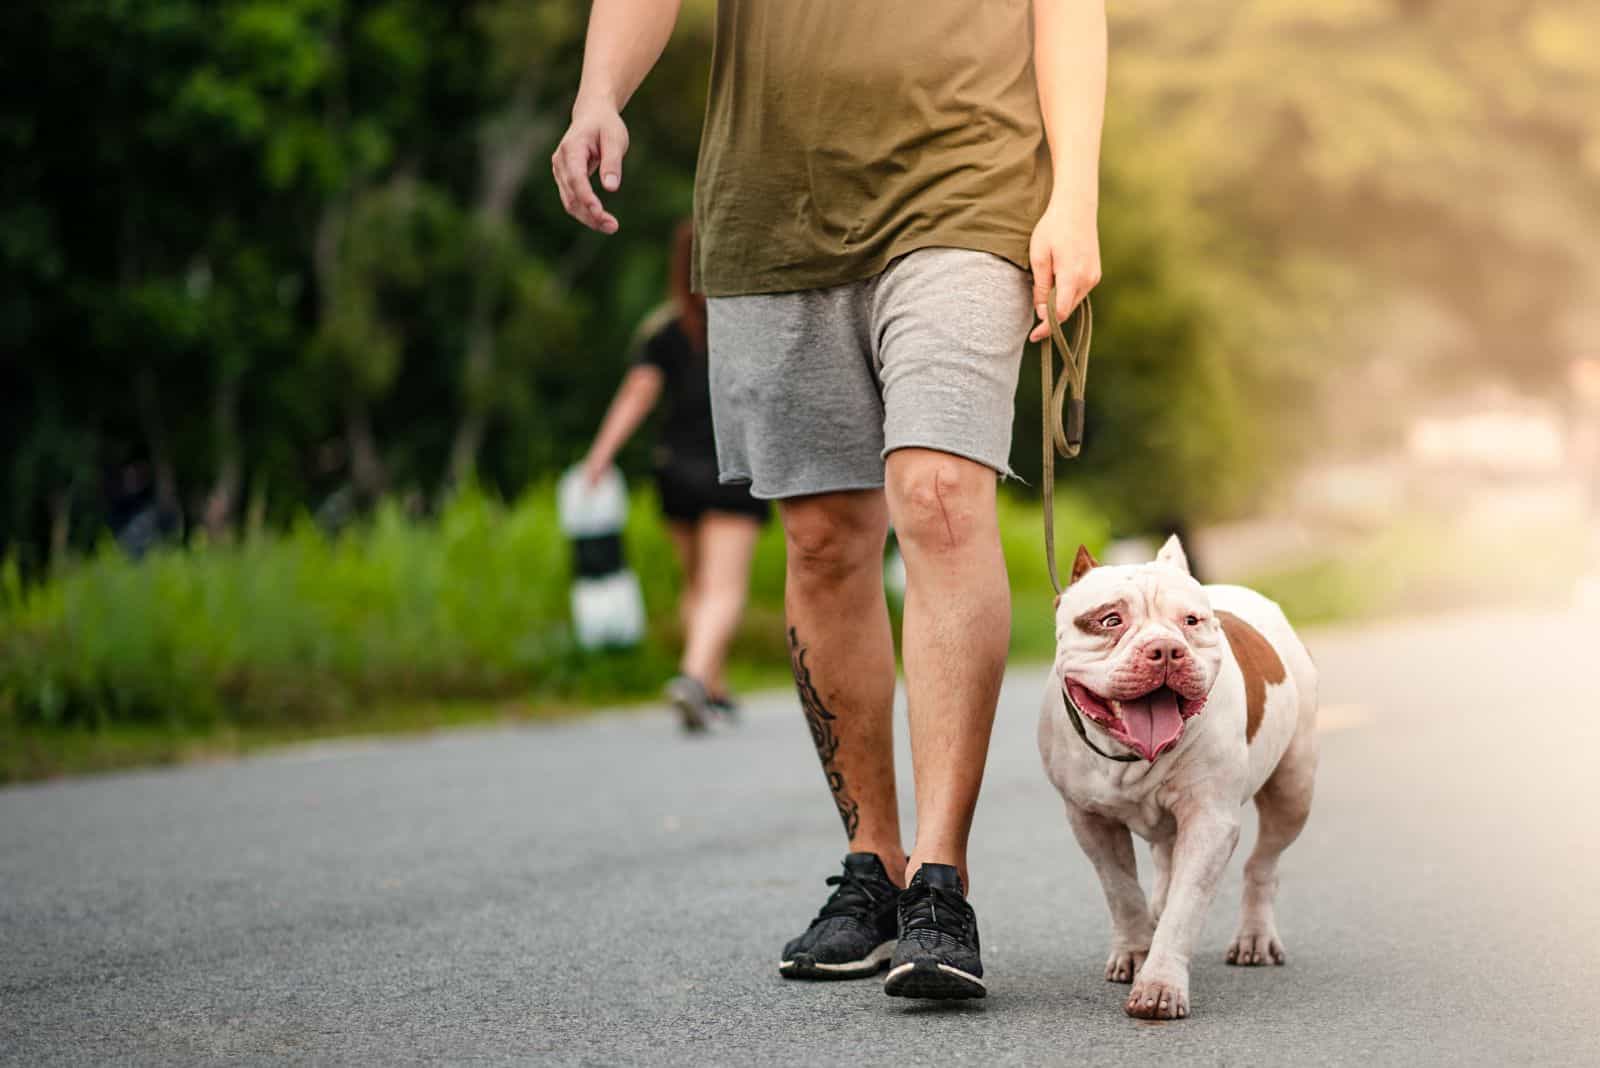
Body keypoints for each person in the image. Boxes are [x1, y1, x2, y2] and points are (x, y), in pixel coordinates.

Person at [554, 0, 1105, 1000]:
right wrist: (599, 91)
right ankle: (874, 864)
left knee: (937, 494)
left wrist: (1075, 192)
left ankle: (941, 881)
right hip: (772, 212)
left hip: (963, 188)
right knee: (820, 539)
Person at [581, 220, 770, 732]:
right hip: (736, 469)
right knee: (723, 589)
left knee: (697, 586)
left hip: (675, 469)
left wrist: (599, 457)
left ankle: (714, 688)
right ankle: (692, 677)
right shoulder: (753, 322)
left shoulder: (664, 328)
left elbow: (636, 395)